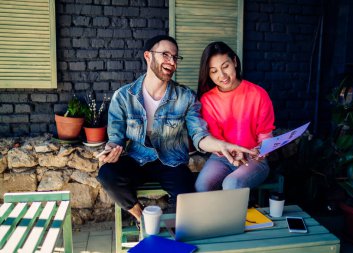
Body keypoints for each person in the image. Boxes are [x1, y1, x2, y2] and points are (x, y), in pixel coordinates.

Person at [96, 35, 255, 223]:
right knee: (107, 174)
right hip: (136, 159)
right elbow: (116, 137)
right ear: (148, 56)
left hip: (171, 163)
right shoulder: (123, 96)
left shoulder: (186, 97)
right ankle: (142, 217)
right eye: (165, 55)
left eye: (175, 57)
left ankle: (177, 233)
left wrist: (222, 146)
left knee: (189, 197)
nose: (171, 61)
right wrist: (111, 151)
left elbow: (199, 135)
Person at [195, 41, 275, 193]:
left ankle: (232, 217)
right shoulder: (207, 100)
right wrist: (232, 153)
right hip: (222, 157)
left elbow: (266, 134)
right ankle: (214, 217)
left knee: (232, 184)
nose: (222, 75)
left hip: (253, 158)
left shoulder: (258, 94)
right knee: (202, 186)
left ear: (235, 62)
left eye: (225, 66)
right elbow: (215, 139)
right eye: (214, 71)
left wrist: (260, 151)